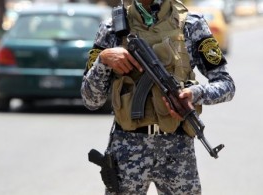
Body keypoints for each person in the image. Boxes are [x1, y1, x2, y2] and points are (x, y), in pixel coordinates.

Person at [81, 0, 236, 194]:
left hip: (177, 148)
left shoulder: (191, 25)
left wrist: (195, 94)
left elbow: (227, 85)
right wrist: (103, 60)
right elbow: (90, 100)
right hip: (127, 148)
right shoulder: (112, 28)